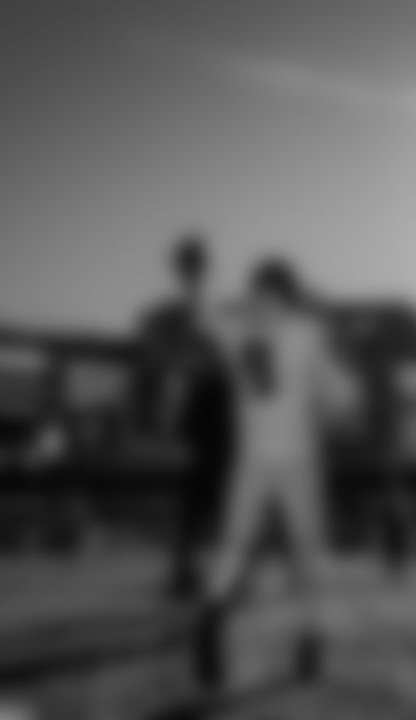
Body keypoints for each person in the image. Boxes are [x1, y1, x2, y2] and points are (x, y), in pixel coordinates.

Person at [192, 256, 362, 690]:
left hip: (253, 457)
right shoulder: (307, 332)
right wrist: (347, 398)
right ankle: (310, 640)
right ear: (290, 293)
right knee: (308, 553)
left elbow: (205, 317)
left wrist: (197, 279)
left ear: (259, 291)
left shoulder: (240, 328)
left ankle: (212, 611)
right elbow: (341, 396)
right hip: (297, 460)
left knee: (233, 544)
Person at [136, 234, 238, 601]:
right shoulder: (189, 310)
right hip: (210, 399)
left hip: (209, 399)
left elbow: (163, 354)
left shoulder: (185, 311)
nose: (191, 271)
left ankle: (192, 569)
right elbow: (165, 355)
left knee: (204, 490)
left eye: (190, 264)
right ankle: (196, 569)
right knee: (208, 490)